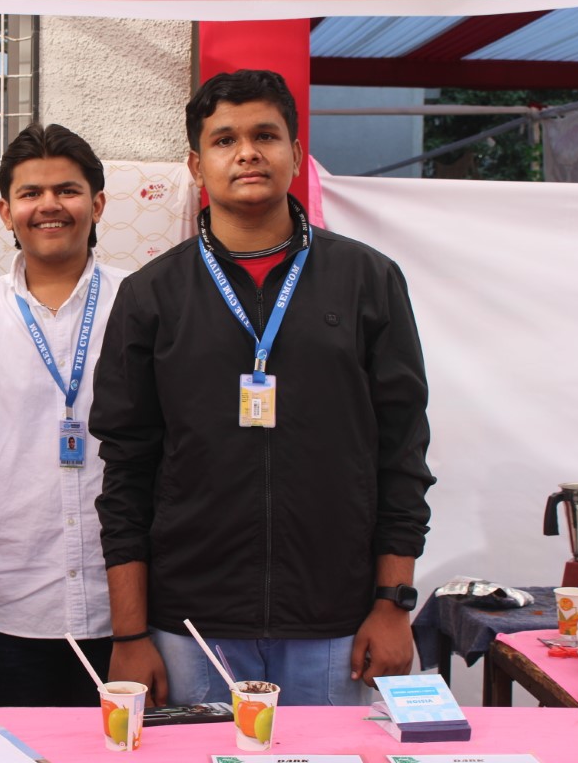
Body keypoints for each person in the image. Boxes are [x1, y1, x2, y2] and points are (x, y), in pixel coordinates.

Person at [90, 70, 435, 707]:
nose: (247, 153)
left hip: (336, 621)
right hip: (190, 627)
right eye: (225, 140)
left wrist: (393, 603)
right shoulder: (150, 296)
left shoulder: (367, 280)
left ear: (296, 154)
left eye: (265, 136)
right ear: (197, 165)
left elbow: (402, 452)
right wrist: (131, 632)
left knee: (329, 757)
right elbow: (126, 472)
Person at [0, 123, 129, 706]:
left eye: (67, 190)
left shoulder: (141, 305)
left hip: (125, 612)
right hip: (7, 613)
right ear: (5, 211)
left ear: (97, 204)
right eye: (30, 193)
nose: (49, 205)